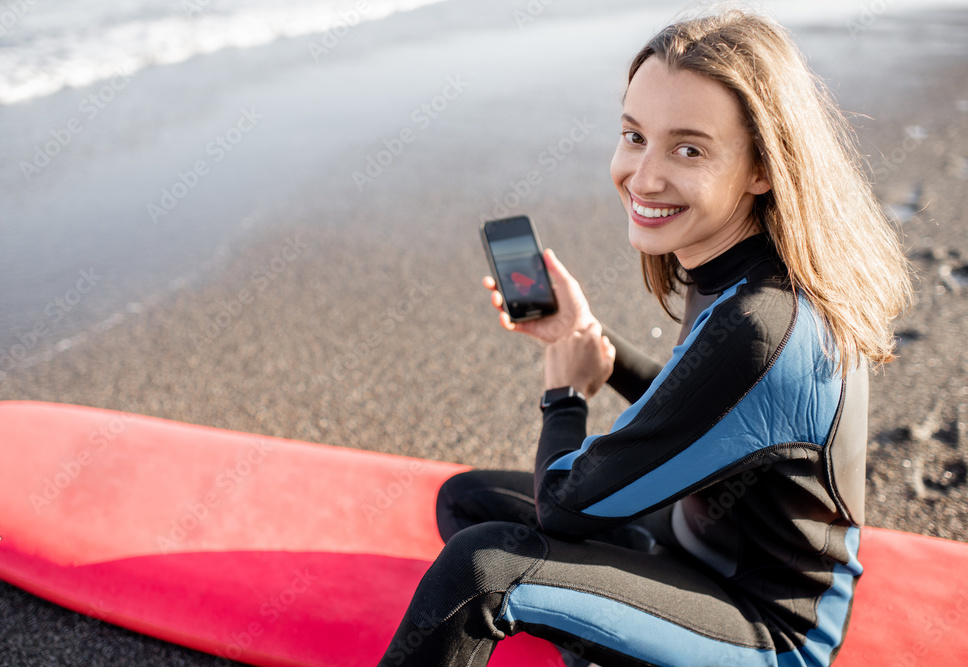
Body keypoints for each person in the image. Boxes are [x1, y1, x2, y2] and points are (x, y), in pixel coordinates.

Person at [378, 7, 912, 667]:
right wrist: (591, 341)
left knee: (481, 569)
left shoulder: (762, 325)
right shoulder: (742, 260)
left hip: (767, 632)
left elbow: (567, 510)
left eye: (688, 148)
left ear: (762, 167)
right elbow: (707, 408)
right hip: (692, 544)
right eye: (634, 135)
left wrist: (566, 393)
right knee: (468, 498)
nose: (645, 175)